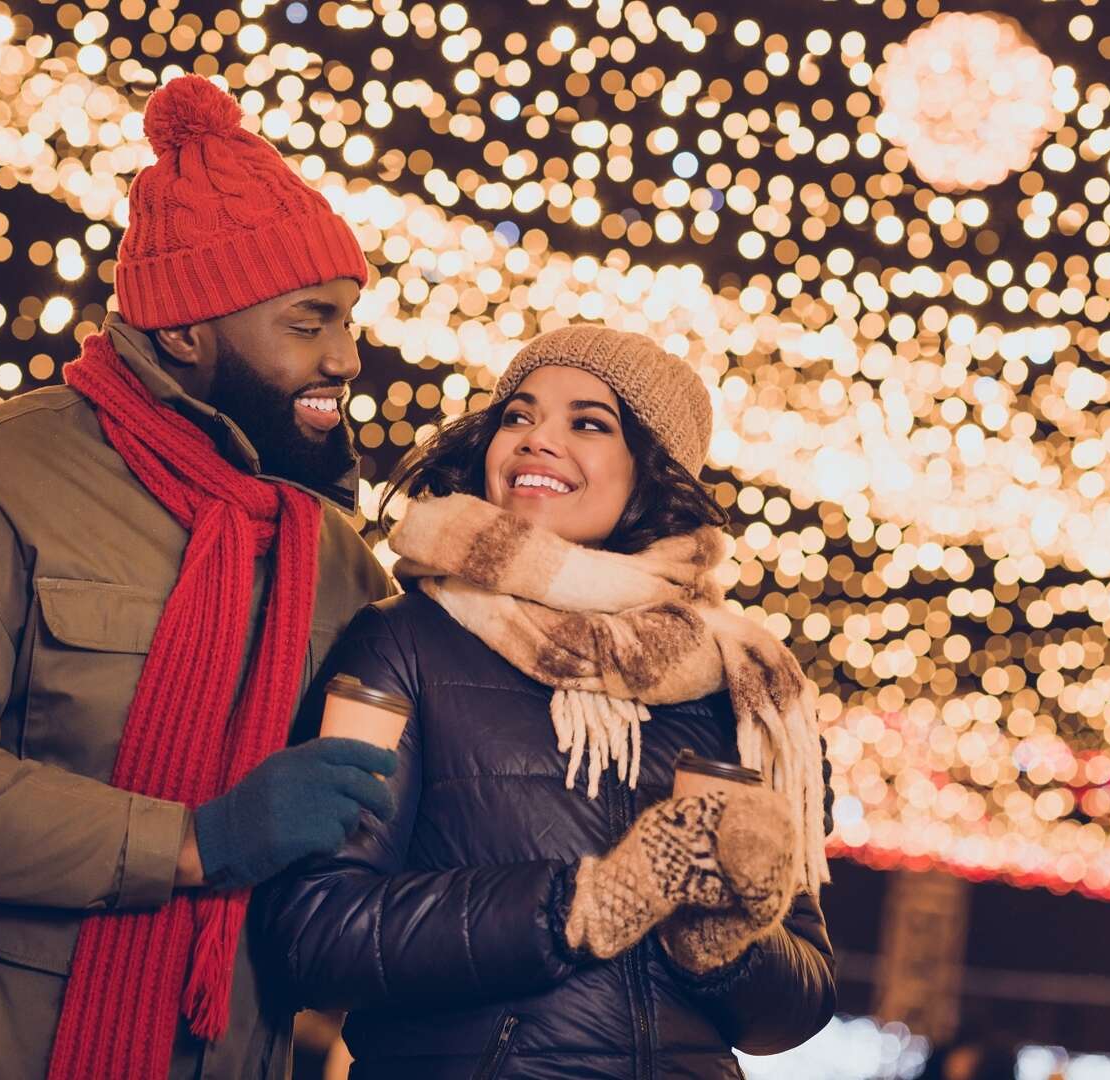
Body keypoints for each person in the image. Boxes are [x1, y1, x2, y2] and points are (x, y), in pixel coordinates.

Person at [0, 75, 397, 1080]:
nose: (346, 356)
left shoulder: (331, 556)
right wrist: (194, 842)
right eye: (308, 322)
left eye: (348, 319)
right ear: (184, 329)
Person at [260, 326, 837, 1078]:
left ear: (651, 470)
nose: (537, 440)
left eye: (588, 423)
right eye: (518, 416)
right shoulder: (406, 642)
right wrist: (581, 905)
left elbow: (801, 1004)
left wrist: (721, 944)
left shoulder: (744, 685)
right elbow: (312, 934)